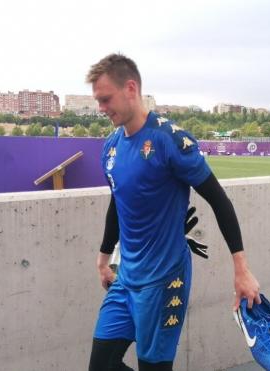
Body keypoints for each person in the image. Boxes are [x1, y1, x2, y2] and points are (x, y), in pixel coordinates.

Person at [87, 53, 261, 371]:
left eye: (105, 99)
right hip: (126, 277)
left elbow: (219, 200)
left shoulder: (170, 141)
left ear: (130, 88)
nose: (101, 108)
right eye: (98, 101)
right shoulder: (110, 148)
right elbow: (118, 201)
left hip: (165, 279)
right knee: (101, 367)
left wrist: (241, 269)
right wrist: (103, 258)